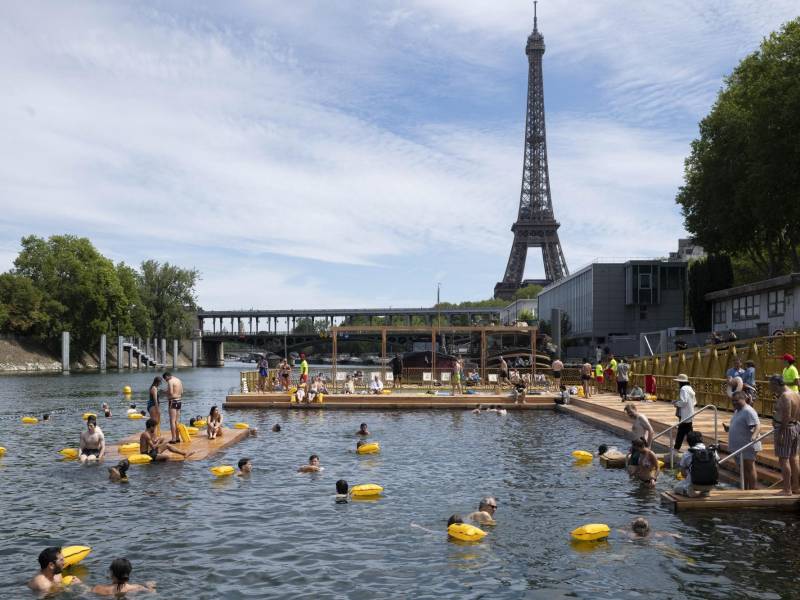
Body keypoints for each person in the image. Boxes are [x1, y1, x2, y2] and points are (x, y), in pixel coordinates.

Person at [770, 374, 800, 495]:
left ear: (776, 384)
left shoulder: (785, 396)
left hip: (785, 429)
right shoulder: (795, 394)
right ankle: (796, 487)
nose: (770, 388)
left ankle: (787, 489)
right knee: (793, 458)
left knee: (784, 459)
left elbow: (786, 416)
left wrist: (782, 433)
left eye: (771, 385)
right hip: (795, 427)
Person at [726, 390, 761, 489]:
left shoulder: (748, 411)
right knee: (743, 469)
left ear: (744, 399)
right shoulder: (738, 410)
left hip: (747, 445)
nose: (734, 403)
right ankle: (745, 489)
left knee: (749, 468)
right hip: (738, 447)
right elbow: (741, 424)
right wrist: (729, 428)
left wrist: (754, 436)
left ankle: (752, 490)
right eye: (733, 401)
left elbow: (757, 425)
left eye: (736, 401)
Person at [673, 431, 718, 497]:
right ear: (701, 439)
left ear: (689, 442)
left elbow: (683, 473)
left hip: (694, 484)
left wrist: (690, 477)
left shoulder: (687, 453)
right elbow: (717, 467)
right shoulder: (712, 451)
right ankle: (705, 491)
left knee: (676, 487)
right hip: (711, 484)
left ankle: (688, 492)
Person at [91, 558, 155, 596]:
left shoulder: (99, 588)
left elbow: (87, 592)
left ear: (112, 573)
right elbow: (153, 593)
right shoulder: (137, 587)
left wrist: (80, 583)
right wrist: (150, 586)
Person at [672, 374, 696, 452]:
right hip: (690, 414)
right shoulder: (690, 388)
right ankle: (694, 446)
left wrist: (675, 403)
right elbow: (694, 402)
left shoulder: (683, 389)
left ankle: (676, 448)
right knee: (687, 432)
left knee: (681, 432)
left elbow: (684, 401)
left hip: (685, 415)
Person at [163, 372, 183, 444]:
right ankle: (178, 438)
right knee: (176, 421)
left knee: (172, 421)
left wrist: (165, 392)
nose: (166, 381)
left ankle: (173, 439)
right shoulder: (179, 380)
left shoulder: (170, 381)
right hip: (179, 400)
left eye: (165, 379)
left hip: (172, 401)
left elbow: (171, 393)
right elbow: (182, 392)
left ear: (167, 376)